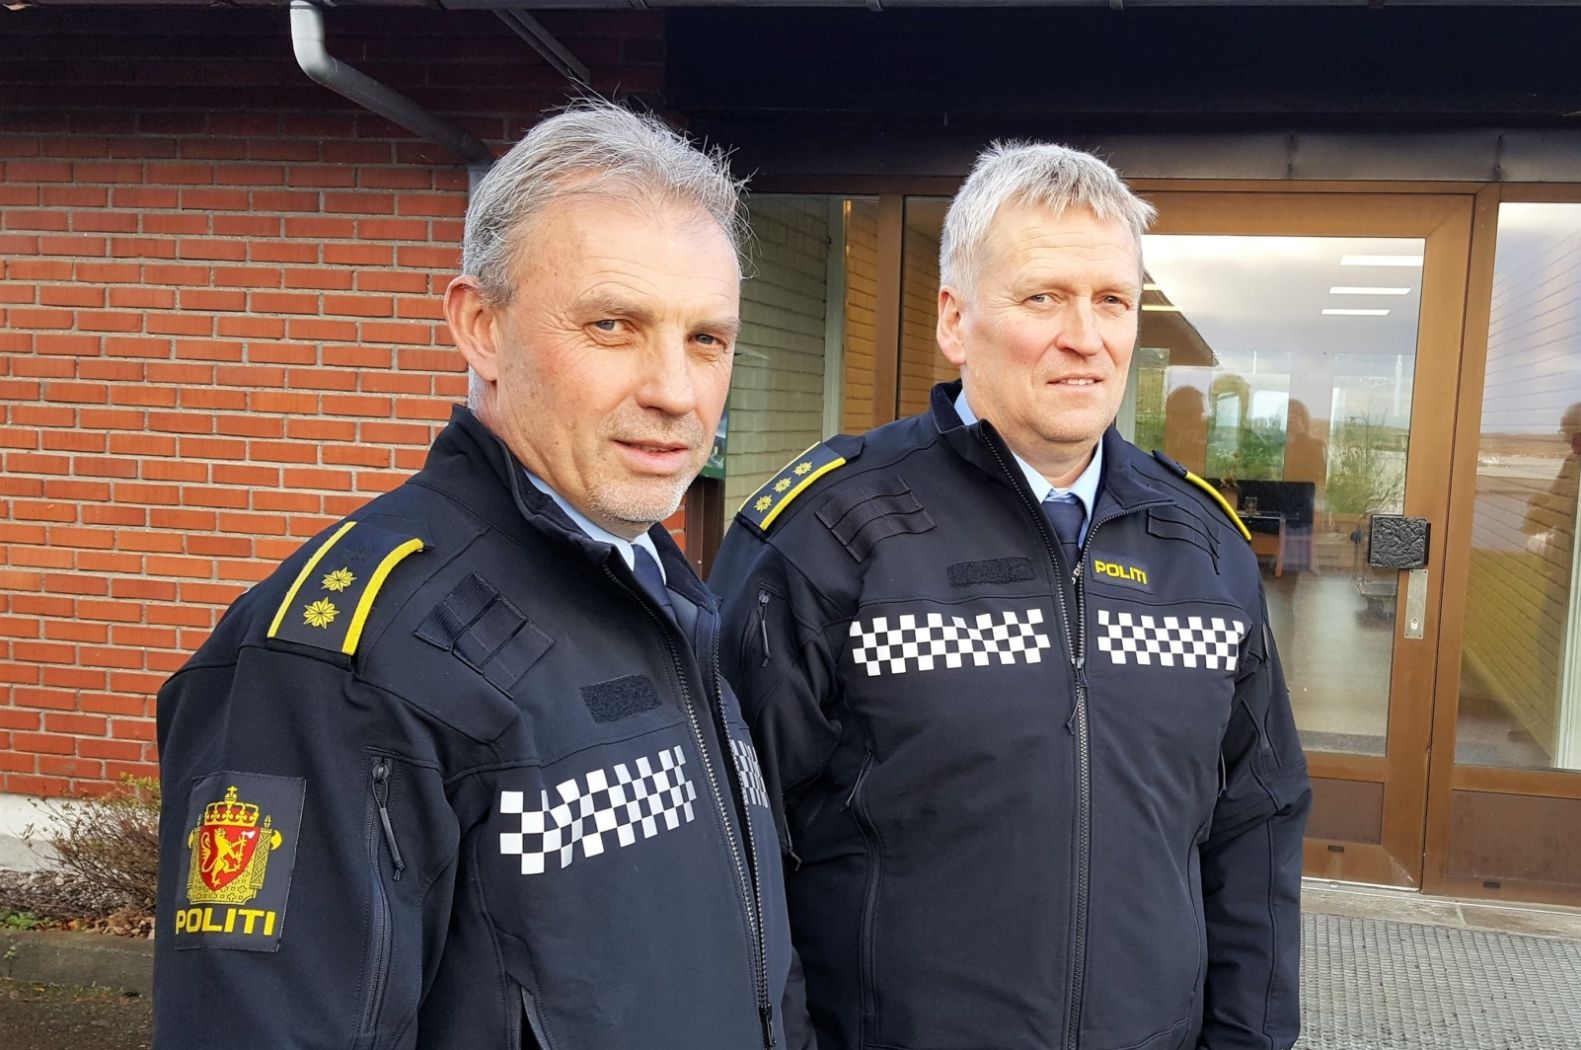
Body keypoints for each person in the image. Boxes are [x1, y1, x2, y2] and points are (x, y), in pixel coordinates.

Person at [153, 101, 793, 1049]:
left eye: (707, 339)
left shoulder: (663, 590)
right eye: (613, 324)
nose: (676, 390)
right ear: (481, 326)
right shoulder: (352, 660)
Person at [709, 142, 1310, 1050]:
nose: (1086, 336)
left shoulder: (1201, 544)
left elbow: (1258, 822)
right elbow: (728, 848)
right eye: (1043, 297)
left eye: (1112, 300)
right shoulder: (827, 534)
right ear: (955, 321)